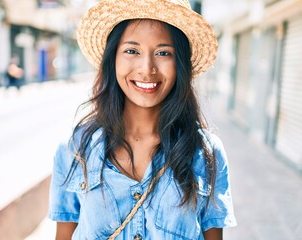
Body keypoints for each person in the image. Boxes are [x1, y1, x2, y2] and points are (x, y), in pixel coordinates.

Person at [48, 0, 237, 239]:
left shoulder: (207, 153)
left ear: (179, 63)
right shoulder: (74, 150)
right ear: (113, 58)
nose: (147, 69)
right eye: (132, 51)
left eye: (163, 53)